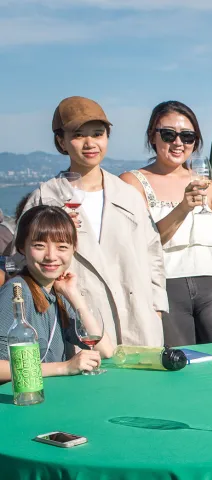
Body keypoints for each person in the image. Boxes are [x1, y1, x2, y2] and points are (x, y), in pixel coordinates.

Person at [24, 96, 167, 347]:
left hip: (139, 323)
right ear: (61, 141)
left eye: (98, 134)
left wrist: (156, 307)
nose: (90, 143)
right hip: (80, 327)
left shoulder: (128, 194)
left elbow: (153, 252)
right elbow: (24, 263)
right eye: (79, 135)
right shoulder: (45, 198)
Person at [121, 101, 212, 346]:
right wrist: (183, 208)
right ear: (152, 136)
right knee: (179, 367)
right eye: (169, 134)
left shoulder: (208, 186)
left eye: (187, 136)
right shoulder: (132, 182)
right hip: (164, 287)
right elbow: (142, 245)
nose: (178, 143)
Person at [0, 206, 114, 381]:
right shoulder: (16, 292)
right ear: (22, 247)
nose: (51, 256)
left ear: (73, 248)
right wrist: (64, 367)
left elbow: (104, 349)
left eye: (62, 247)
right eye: (39, 246)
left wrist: (73, 294)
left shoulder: (57, 291)